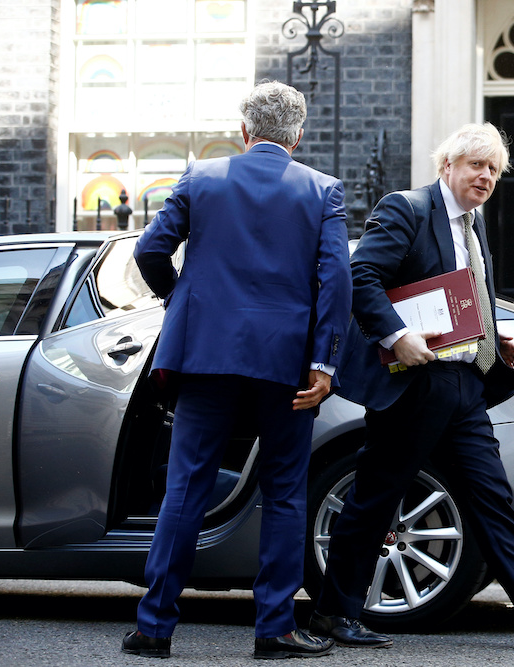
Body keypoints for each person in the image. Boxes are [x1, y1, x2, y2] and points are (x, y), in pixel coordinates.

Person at [308, 123, 514, 648]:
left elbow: (470, 300)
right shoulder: (407, 209)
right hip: (414, 382)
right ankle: (334, 613)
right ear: (446, 165)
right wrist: (397, 335)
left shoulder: (472, 226)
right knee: (378, 495)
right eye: (477, 165)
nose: (486, 177)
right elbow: (360, 277)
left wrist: (493, 344)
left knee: (491, 494)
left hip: (465, 382)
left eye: (494, 169)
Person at [123, 80, 351, 660]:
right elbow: (336, 284)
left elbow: (149, 252)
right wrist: (325, 361)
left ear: (244, 131)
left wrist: (182, 305)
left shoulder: (200, 179)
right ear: (297, 136)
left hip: (206, 356)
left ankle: (155, 627)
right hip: (287, 364)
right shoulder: (323, 191)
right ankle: (273, 630)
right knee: (283, 493)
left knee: (186, 489)